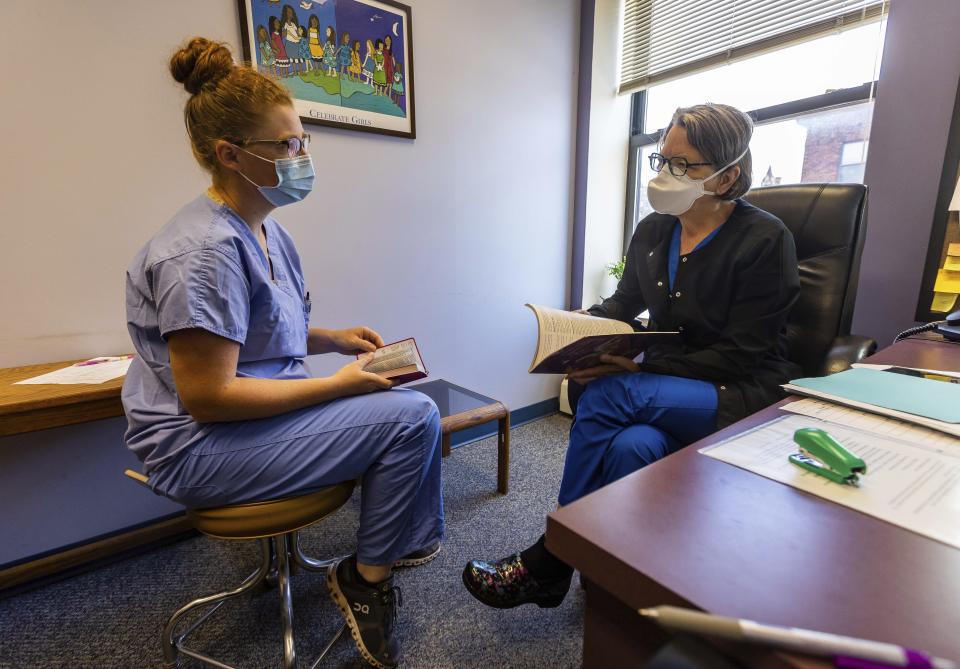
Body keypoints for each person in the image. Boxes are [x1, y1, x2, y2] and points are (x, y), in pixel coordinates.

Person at [122, 37, 442, 669]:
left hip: (249, 423)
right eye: (288, 145)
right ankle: (366, 580)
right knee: (411, 417)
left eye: (304, 142)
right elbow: (209, 397)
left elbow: (260, 334)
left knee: (404, 403)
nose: (302, 156)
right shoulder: (202, 252)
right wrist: (341, 384)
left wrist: (334, 339)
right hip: (199, 446)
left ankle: (388, 551)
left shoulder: (266, 228)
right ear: (231, 154)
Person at [462, 103, 801, 609]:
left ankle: (555, 555)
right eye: (663, 160)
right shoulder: (654, 230)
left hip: (738, 390)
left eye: (685, 165)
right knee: (631, 448)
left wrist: (641, 364)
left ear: (728, 177)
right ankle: (618, 573)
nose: (668, 174)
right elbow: (625, 304)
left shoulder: (765, 239)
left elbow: (740, 355)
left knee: (610, 393)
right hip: (672, 383)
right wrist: (583, 330)